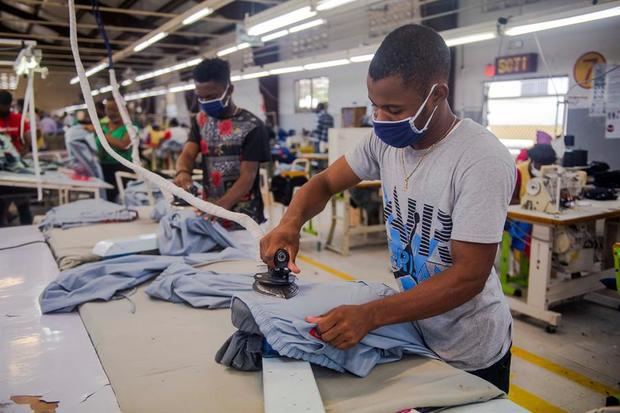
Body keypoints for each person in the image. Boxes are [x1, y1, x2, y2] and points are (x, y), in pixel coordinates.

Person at [260, 24, 515, 393]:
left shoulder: (480, 159)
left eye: (394, 109)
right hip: (415, 331)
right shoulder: (384, 142)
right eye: (374, 105)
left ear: (436, 95)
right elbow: (324, 184)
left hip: (471, 351)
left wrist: (372, 315)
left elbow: (469, 277)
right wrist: (290, 223)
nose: (380, 118)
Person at [175, 58, 270, 225]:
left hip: (244, 219)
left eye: (211, 96)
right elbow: (188, 153)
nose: (205, 102)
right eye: (201, 97)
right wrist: (182, 172)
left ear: (229, 90)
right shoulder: (200, 120)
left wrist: (219, 208)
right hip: (210, 214)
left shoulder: (252, 126)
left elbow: (248, 176)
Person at [0, 90, 34, 226]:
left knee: (23, 204)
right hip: (2, 172)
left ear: (9, 105)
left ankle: (29, 233)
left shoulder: (18, 119)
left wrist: (21, 153)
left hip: (17, 169)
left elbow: (28, 140)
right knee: (1, 206)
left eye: (4, 106)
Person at [97, 100, 133, 201]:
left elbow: (124, 145)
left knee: (120, 199)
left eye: (115, 109)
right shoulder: (101, 126)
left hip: (121, 169)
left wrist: (102, 136)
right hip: (101, 168)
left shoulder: (130, 127)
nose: (112, 112)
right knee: (103, 199)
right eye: (109, 109)